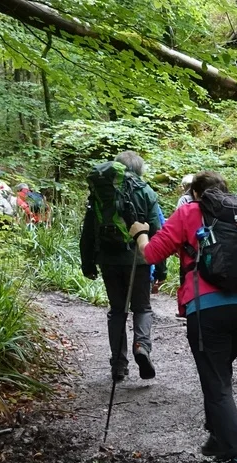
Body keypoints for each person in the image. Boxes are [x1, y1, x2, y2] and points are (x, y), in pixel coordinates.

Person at [132, 171, 237, 463]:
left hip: (208, 310)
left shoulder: (188, 212)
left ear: (196, 195)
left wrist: (139, 233)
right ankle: (218, 437)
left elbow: (150, 254)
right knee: (218, 374)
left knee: (216, 382)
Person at [80, 150, 168, 382]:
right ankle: (142, 347)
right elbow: (158, 232)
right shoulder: (145, 191)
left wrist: (87, 262)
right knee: (142, 308)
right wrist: (160, 268)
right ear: (139, 169)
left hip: (108, 260)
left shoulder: (101, 191)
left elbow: (88, 229)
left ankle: (118, 365)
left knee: (117, 311)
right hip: (139, 259)